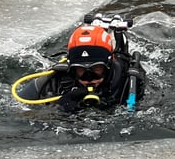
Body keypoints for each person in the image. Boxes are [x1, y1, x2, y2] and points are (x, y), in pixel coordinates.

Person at [12, 16, 147, 112]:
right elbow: (19, 111)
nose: (90, 78)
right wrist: (59, 109)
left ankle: (116, 35)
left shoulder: (127, 80)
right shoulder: (56, 80)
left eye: (97, 68)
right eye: (80, 71)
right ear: (71, 68)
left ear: (109, 64)